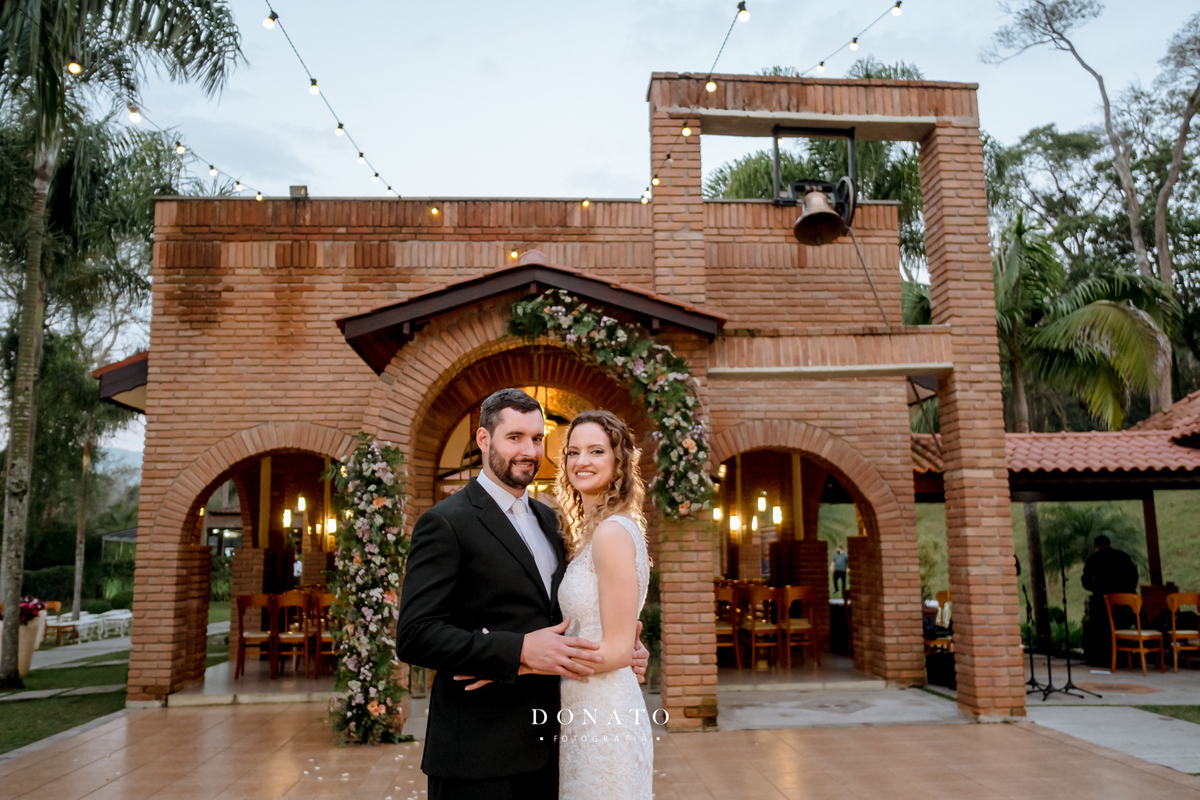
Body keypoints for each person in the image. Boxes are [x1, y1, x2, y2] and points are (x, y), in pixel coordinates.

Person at [396, 389, 648, 800]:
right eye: (514, 437)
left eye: (536, 438)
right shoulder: (445, 523)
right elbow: (415, 634)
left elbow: (577, 609)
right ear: (483, 440)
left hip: (552, 746)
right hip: (477, 754)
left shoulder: (554, 522)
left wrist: (625, 648)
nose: (529, 450)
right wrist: (515, 654)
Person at [554, 409, 654, 800]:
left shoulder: (611, 533)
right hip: (586, 707)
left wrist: (525, 662)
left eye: (596, 451)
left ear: (619, 462)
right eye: (573, 452)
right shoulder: (594, 531)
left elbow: (614, 651)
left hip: (604, 716)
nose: (582, 462)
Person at [1081, 535, 1140, 667]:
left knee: (1100, 628)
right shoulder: (1123, 556)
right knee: (1123, 626)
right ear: (1109, 543)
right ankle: (1125, 658)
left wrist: (1097, 591)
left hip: (1103, 604)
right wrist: (1127, 591)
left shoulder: (1093, 559)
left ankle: (1102, 659)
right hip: (1126, 605)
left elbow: (1086, 581)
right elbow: (1134, 576)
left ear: (1096, 546)